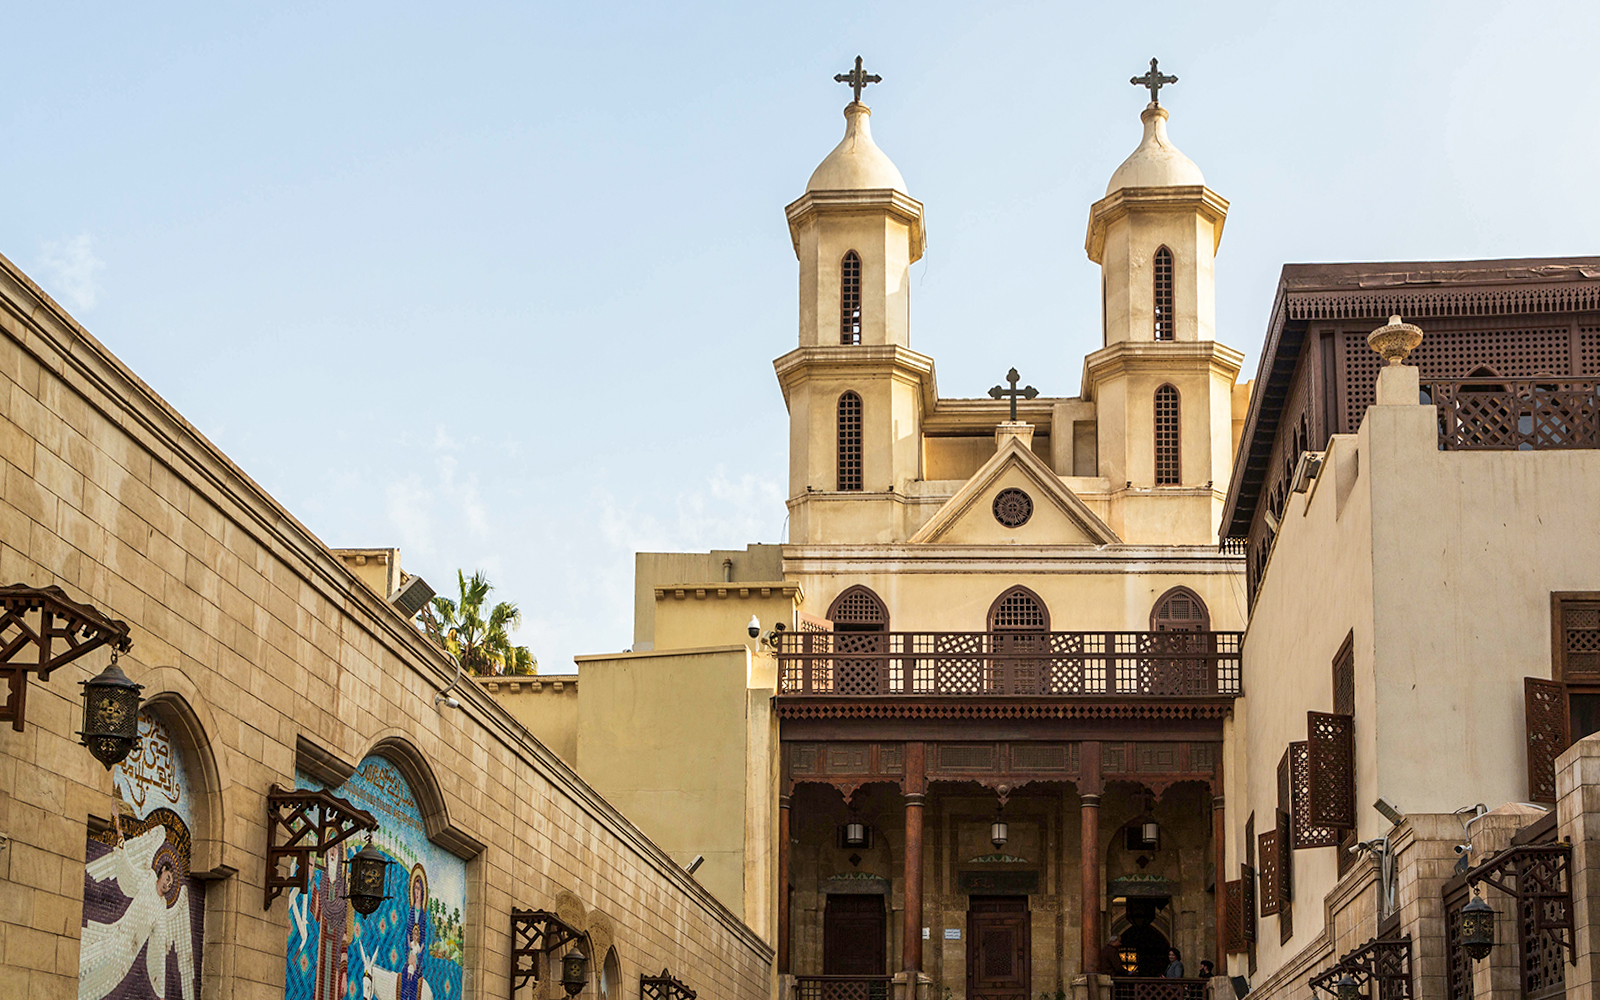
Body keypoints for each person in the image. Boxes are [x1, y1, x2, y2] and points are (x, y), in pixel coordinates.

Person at [79, 824, 196, 999]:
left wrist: (160, 987)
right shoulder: (147, 879)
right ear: (162, 871)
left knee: (100, 987)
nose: (168, 884)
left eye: (171, 884)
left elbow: (158, 944)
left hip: (126, 958)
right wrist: (119, 831)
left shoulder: (162, 906)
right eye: (168, 879)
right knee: (88, 964)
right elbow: (128, 871)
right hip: (117, 939)